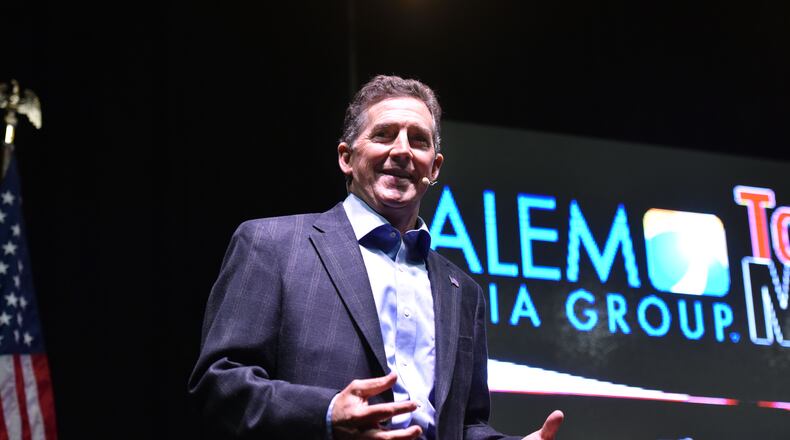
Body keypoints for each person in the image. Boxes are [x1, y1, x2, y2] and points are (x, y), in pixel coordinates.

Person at [189, 75, 564, 439]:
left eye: (418, 140)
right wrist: (327, 413)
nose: (401, 150)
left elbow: (466, 426)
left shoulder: (463, 291)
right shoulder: (271, 244)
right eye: (383, 134)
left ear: (433, 167)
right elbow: (219, 384)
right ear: (346, 158)